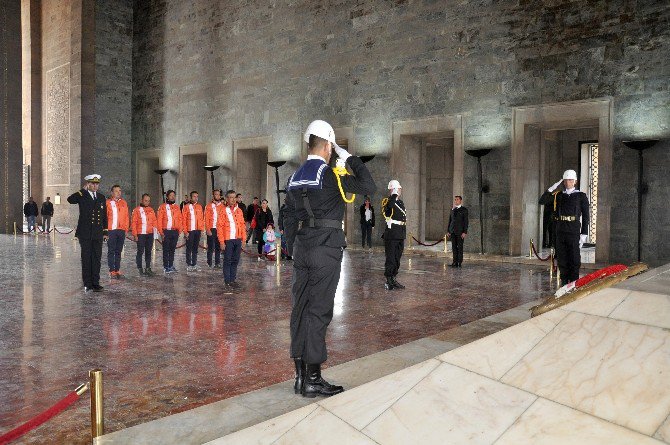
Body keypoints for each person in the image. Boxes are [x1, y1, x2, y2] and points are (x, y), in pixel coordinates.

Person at [284, 120, 376, 398]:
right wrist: (350, 159)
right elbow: (368, 185)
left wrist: (292, 246)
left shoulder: (294, 176)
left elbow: (288, 215)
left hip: (302, 247)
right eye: (332, 148)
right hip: (326, 248)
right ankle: (313, 378)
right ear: (327, 146)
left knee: (300, 308)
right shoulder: (332, 175)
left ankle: (300, 378)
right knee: (319, 310)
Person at [539, 169, 589, 285]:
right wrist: (552, 188)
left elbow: (586, 216)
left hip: (573, 229)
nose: (568, 182)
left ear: (575, 181)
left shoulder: (581, 196)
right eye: (566, 180)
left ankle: (574, 282)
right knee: (562, 258)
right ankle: (564, 282)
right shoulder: (558, 195)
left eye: (570, 180)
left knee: (574, 258)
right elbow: (542, 201)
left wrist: (584, 234)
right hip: (560, 229)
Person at [67, 174, 108, 292]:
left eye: (97, 184)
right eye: (93, 184)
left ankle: (95, 282)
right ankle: (87, 283)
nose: (95, 186)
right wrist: (82, 191)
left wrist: (105, 231)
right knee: (86, 258)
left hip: (97, 233)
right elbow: (70, 200)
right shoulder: (82, 196)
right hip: (85, 233)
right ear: (88, 184)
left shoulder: (101, 197)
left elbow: (104, 216)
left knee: (96, 258)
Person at [217, 189, 246, 288]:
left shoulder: (239, 210)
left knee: (235, 260)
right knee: (227, 260)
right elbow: (219, 227)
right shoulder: (223, 210)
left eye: (234, 197)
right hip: (228, 240)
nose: (233, 199)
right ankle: (227, 281)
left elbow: (242, 225)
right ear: (226, 199)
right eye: (231, 197)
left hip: (238, 239)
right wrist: (221, 241)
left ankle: (233, 280)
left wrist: (244, 239)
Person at [382, 180, 406, 290]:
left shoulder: (400, 203)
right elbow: (388, 210)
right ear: (393, 189)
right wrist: (394, 195)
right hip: (391, 235)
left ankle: (394, 278)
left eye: (399, 189)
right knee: (391, 258)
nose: (400, 191)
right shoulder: (387, 201)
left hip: (400, 233)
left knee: (397, 258)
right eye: (398, 189)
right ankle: (388, 280)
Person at [106, 185, 130, 278]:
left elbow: (127, 217)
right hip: (111, 230)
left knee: (118, 251)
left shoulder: (124, 203)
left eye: (120, 191)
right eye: (116, 191)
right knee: (111, 250)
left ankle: (117, 269)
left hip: (121, 230)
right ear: (112, 193)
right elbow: (105, 217)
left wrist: (126, 229)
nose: (119, 192)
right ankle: (111, 270)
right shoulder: (108, 203)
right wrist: (105, 231)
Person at [131, 193, 157, 276]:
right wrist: (135, 234)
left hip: (150, 234)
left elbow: (154, 222)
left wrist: (155, 233)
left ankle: (148, 268)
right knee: (140, 251)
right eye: (145, 201)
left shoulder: (151, 210)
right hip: (141, 234)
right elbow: (134, 223)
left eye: (148, 201)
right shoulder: (136, 210)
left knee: (148, 251)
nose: (147, 202)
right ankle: (140, 268)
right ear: (142, 200)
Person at [157, 190, 183, 274]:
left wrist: (179, 230)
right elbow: (159, 220)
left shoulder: (177, 207)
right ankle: (166, 266)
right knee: (166, 249)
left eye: (174, 195)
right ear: (167, 197)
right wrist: (161, 232)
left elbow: (180, 219)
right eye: (171, 195)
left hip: (175, 231)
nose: (172, 197)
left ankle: (171, 265)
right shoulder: (162, 207)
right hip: (166, 232)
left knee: (172, 250)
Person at [182, 190, 204, 271]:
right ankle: (188, 264)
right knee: (189, 248)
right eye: (194, 196)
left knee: (195, 248)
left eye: (197, 196)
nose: (196, 198)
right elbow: (183, 220)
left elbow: (201, 219)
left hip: (197, 230)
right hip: (190, 231)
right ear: (191, 197)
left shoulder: (199, 207)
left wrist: (201, 229)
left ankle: (194, 263)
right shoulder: (186, 207)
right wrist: (185, 231)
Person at [447, 196, 469, 268]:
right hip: (452, 231)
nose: (456, 201)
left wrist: (464, 232)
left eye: (457, 199)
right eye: (455, 200)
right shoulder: (452, 209)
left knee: (460, 247)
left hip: (460, 232)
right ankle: (454, 262)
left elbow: (466, 222)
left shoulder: (464, 210)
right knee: (454, 247)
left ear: (461, 201)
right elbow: (450, 221)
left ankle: (459, 262)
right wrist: (448, 231)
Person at [205, 189, 224, 268]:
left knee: (218, 247)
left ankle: (217, 263)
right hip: (211, 228)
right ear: (213, 195)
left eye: (218, 195)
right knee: (210, 247)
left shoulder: (223, 206)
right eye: (216, 194)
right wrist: (208, 229)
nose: (217, 196)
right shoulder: (209, 206)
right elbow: (206, 218)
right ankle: (209, 262)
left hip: (219, 229)